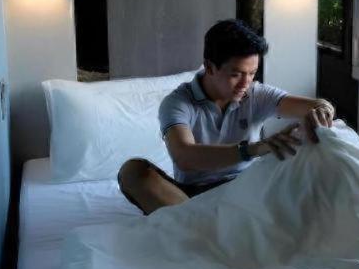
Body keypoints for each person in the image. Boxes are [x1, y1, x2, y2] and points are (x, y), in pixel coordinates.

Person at [118, 19, 336, 214]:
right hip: (191, 196)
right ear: (209, 67)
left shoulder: (257, 94)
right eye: (236, 74)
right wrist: (253, 149)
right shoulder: (178, 103)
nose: (245, 83)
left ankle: (206, 226)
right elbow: (184, 156)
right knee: (132, 171)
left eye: (252, 73)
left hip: (247, 188)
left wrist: (323, 110)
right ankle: (200, 224)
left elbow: (318, 105)